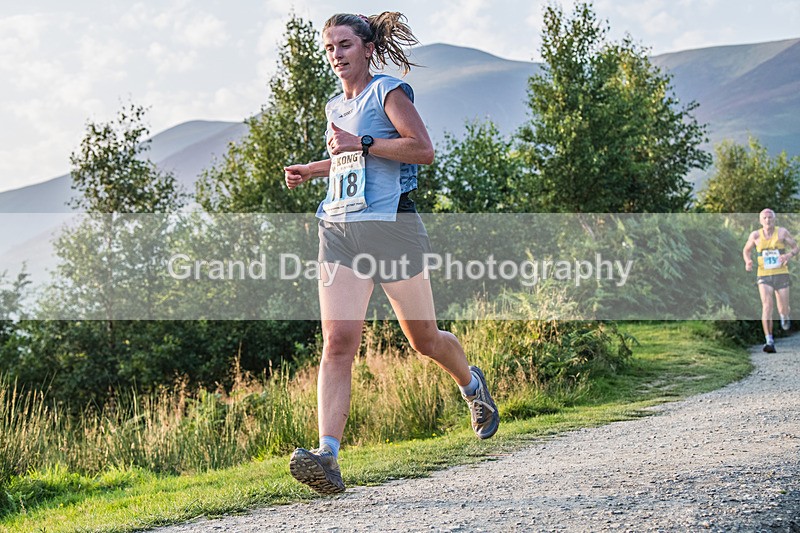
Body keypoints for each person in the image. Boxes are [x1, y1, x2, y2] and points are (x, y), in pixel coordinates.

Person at [282, 12, 499, 494]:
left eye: (343, 45)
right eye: (329, 48)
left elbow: (421, 149)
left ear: (366, 48)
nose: (335, 55)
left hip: (391, 230)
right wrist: (313, 171)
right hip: (339, 230)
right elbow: (350, 159)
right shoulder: (334, 105)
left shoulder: (388, 91)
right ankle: (328, 457)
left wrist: (360, 140)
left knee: (423, 340)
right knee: (338, 342)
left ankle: (471, 385)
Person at [742, 208, 799, 353]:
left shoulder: (782, 233)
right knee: (767, 305)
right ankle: (769, 340)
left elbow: (796, 247)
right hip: (764, 274)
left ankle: (785, 315)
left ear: (774, 219)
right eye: (765, 218)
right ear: (760, 220)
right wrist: (748, 261)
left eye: (770, 218)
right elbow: (746, 250)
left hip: (781, 274)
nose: (768, 220)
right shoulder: (755, 235)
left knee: (783, 308)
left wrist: (788, 255)